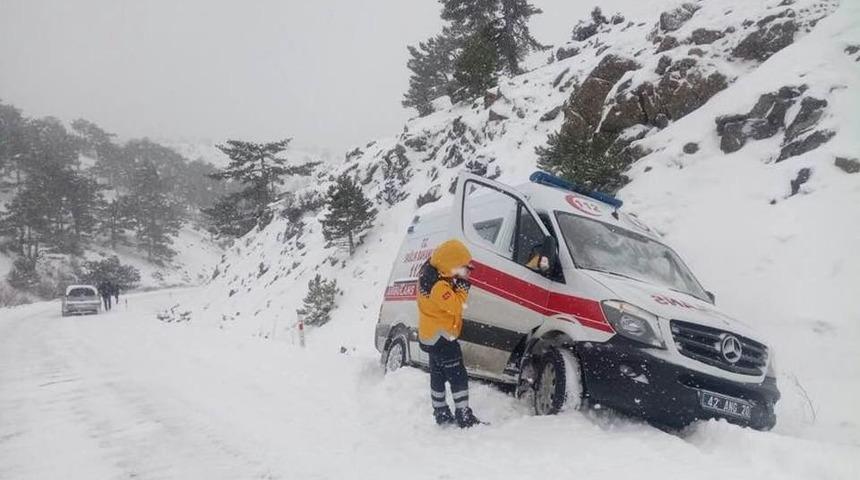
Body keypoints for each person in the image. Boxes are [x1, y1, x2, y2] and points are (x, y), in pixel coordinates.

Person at [417, 239, 482, 428]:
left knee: (437, 374)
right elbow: (456, 306)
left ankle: (441, 411)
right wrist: (462, 287)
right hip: (443, 338)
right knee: (457, 375)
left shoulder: (429, 275)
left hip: (430, 336)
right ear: (449, 265)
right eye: (462, 267)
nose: (465, 271)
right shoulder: (438, 287)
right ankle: (463, 414)